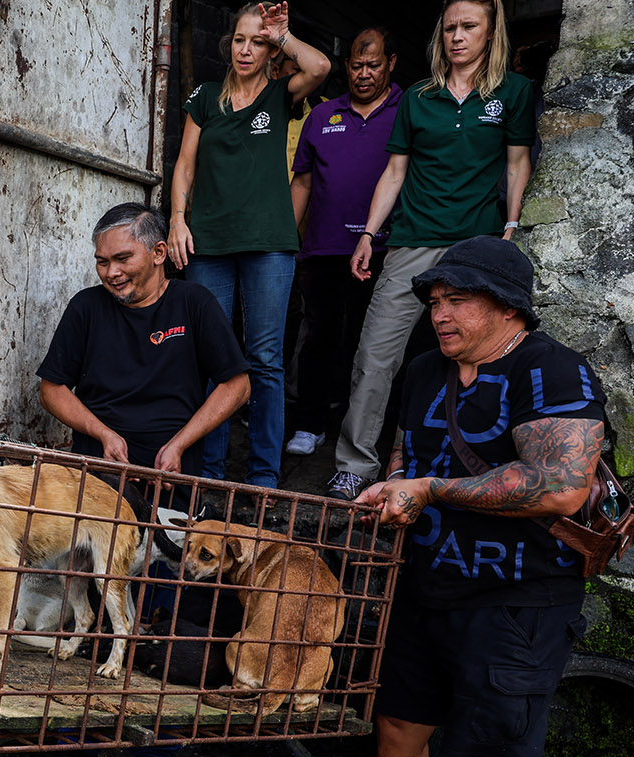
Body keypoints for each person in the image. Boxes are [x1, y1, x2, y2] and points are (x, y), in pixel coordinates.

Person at [310, 237, 605, 757]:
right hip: (426, 589)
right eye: (433, 301)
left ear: (506, 307)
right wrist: (396, 495)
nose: (439, 314)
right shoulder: (421, 372)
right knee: (399, 742)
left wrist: (434, 492)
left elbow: (561, 487)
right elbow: (410, 462)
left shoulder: (553, 370)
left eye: (455, 300)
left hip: (516, 605)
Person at [37, 202, 251, 757]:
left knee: (169, 622)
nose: (109, 272)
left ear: (159, 252)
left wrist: (182, 441)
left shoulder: (195, 307)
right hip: (96, 486)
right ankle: (76, 756)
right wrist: (101, 433)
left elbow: (236, 384)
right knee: (101, 617)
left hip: (172, 487)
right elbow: (52, 388)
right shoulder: (86, 309)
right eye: (101, 261)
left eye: (122, 258)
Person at [325, 0, 537, 502]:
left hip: (476, 249)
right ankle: (354, 464)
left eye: (469, 28)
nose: (457, 37)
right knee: (375, 354)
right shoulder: (419, 97)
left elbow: (517, 162)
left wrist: (511, 225)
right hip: (412, 238)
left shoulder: (515, 92)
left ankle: (436, 464)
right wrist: (369, 234)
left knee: (463, 359)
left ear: (491, 33)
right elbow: (394, 172)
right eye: (450, 29)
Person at [168, 1, 329, 489]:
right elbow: (185, 165)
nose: (245, 49)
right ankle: (212, 474)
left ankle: (263, 476)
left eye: (256, 42)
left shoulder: (281, 95)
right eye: (239, 39)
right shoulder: (206, 96)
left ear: (269, 51)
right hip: (210, 244)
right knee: (215, 358)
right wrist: (177, 219)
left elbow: (320, 66)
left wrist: (281, 34)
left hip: (268, 244)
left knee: (264, 360)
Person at [284, 27, 403, 457]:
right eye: (356, 65)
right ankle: (310, 423)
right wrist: (285, 242)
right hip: (324, 248)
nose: (364, 74)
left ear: (392, 64)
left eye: (374, 65)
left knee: (370, 343)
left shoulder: (408, 109)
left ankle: (366, 434)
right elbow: (303, 184)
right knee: (319, 338)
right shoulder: (322, 116)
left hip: (386, 249)